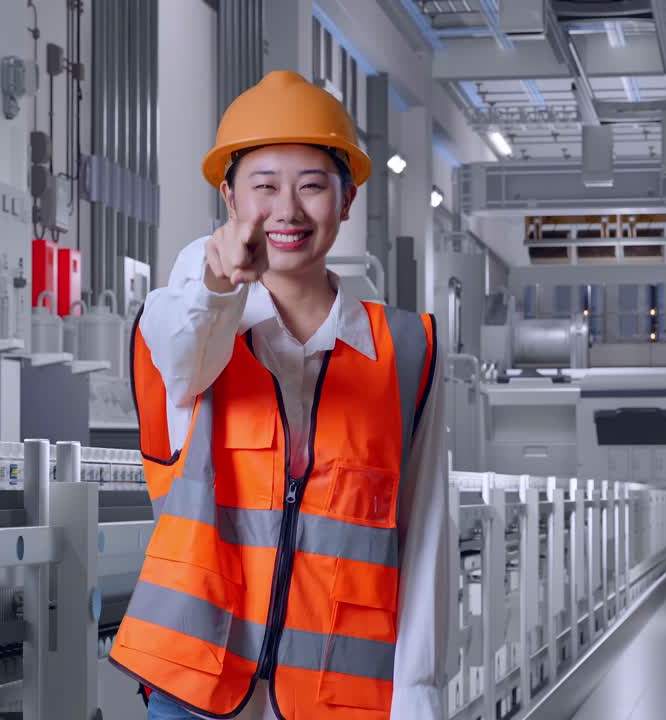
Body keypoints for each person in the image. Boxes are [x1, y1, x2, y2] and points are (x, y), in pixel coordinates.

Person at [109, 70, 449, 720]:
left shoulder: (406, 352)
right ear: (228, 196)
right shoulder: (185, 318)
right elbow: (186, 360)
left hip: (337, 698)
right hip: (194, 692)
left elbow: (425, 537)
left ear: (347, 202)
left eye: (313, 186)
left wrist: (420, 701)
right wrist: (217, 278)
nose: (288, 210)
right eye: (263, 186)